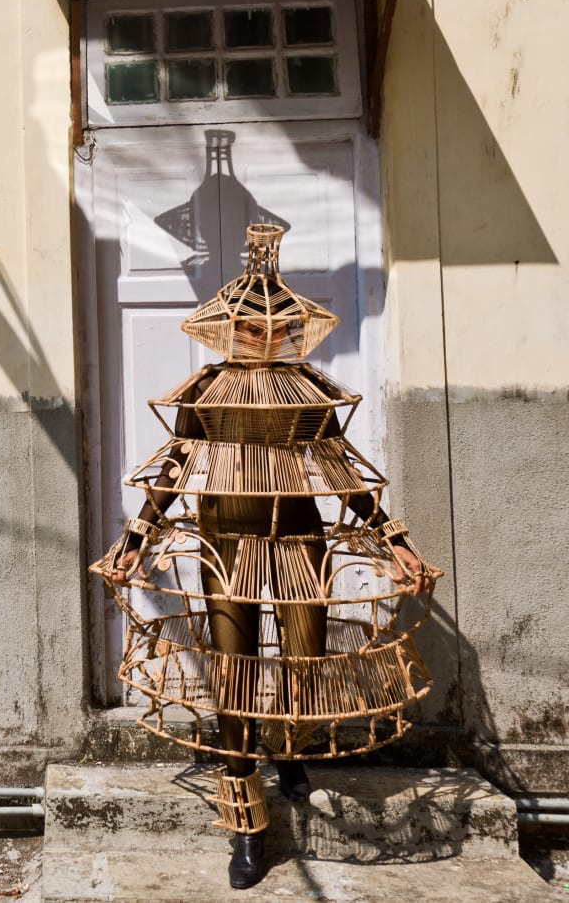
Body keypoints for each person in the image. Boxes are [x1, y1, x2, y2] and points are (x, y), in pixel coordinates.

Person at [94, 224, 438, 890]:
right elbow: (170, 471)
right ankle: (246, 824)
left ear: (288, 330)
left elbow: (344, 475)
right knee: (232, 673)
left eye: (271, 328)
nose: (260, 338)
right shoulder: (204, 394)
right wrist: (135, 540)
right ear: (229, 330)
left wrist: (395, 540)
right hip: (226, 544)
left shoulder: (308, 392)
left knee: (305, 661)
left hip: (301, 542)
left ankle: (288, 749)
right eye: (249, 328)